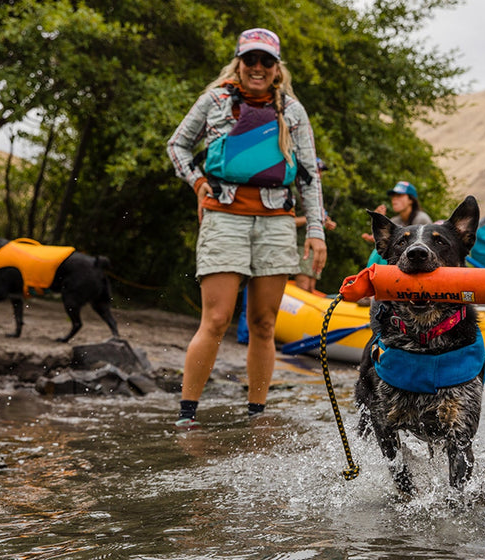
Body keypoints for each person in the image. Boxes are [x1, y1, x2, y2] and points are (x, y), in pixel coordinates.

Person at [166, 28, 326, 426]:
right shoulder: (215, 99)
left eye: (265, 61)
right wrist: (199, 183)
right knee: (217, 318)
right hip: (224, 216)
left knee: (264, 322)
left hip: (276, 222)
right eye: (250, 60)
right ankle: (188, 416)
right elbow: (177, 146)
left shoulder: (292, 110)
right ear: (239, 62)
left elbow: (309, 176)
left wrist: (316, 231)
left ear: (276, 68)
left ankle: (256, 414)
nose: (257, 68)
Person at [362, 181, 432, 266]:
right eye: (393, 196)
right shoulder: (395, 220)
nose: (394, 199)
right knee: (377, 253)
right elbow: (386, 243)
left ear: (411, 200)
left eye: (399, 196)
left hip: (418, 260)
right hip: (402, 260)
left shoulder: (421, 219)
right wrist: (378, 228)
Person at [293, 158, 336, 292]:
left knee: (311, 286)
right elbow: (289, 221)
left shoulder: (317, 194)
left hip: (316, 245)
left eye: (321, 171)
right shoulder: (295, 191)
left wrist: (326, 222)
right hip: (301, 244)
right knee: (303, 285)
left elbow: (320, 216)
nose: (320, 174)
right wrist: (310, 219)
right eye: (317, 170)